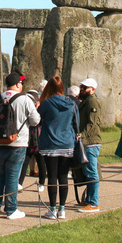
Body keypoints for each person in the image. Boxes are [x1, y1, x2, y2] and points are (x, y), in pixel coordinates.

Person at [0, 73, 40, 220]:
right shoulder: (25, 99)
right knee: (12, 177)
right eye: (20, 83)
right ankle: (11, 209)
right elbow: (35, 120)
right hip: (17, 143)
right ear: (17, 85)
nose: (21, 85)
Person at [37, 76, 79, 219]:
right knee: (63, 177)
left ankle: (52, 209)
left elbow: (37, 120)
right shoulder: (71, 104)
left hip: (50, 143)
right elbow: (76, 123)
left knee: (52, 177)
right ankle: (62, 209)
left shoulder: (47, 103)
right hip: (67, 143)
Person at [77, 78, 102, 214]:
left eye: (85, 87)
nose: (82, 89)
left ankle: (94, 203)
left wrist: (82, 135)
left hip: (91, 141)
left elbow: (91, 123)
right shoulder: (87, 101)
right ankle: (88, 200)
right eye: (82, 87)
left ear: (92, 89)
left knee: (92, 172)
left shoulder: (92, 101)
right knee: (88, 172)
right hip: (87, 141)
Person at [17, 89, 46, 194]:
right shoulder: (26, 109)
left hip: (38, 140)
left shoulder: (41, 110)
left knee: (41, 163)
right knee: (25, 163)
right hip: (29, 141)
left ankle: (41, 183)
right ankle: (19, 183)